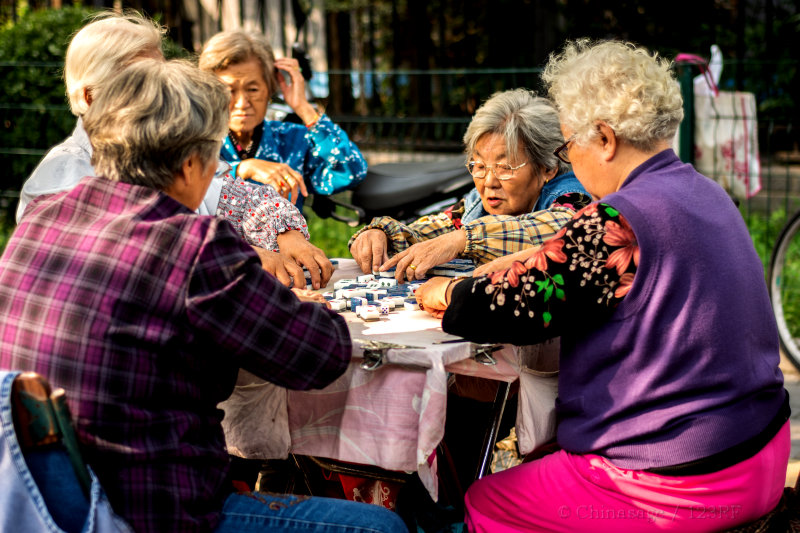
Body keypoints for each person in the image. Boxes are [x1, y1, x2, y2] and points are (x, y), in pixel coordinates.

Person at [0, 58, 406, 533]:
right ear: (192, 164)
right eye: (215, 158)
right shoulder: (194, 245)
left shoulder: (40, 220)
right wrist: (299, 306)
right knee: (383, 528)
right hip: (155, 515)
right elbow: (320, 356)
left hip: (43, 502)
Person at [416, 39, 789, 532]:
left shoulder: (619, 218)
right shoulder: (704, 192)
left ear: (606, 139)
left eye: (570, 145)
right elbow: (580, 273)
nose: (570, 159)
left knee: (487, 500)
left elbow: (508, 309)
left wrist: (448, 294)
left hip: (680, 480)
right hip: (759, 451)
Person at [15, 12, 332, 289]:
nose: (162, 93)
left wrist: (285, 233)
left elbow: (239, 196)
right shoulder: (59, 181)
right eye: (139, 84)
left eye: (161, 78)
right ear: (88, 98)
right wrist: (237, 257)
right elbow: (135, 264)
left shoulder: (162, 149)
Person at [348, 89, 591, 283]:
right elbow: (430, 233)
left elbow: (566, 229)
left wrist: (464, 239)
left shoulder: (573, 194)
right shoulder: (476, 203)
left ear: (547, 167)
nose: (489, 182)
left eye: (505, 167)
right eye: (479, 166)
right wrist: (380, 233)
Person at [198, 30, 367, 210]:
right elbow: (183, 190)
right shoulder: (198, 142)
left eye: (253, 89)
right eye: (228, 90)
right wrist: (242, 168)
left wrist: (303, 107)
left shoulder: (291, 140)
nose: (242, 103)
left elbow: (351, 171)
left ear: (270, 89)